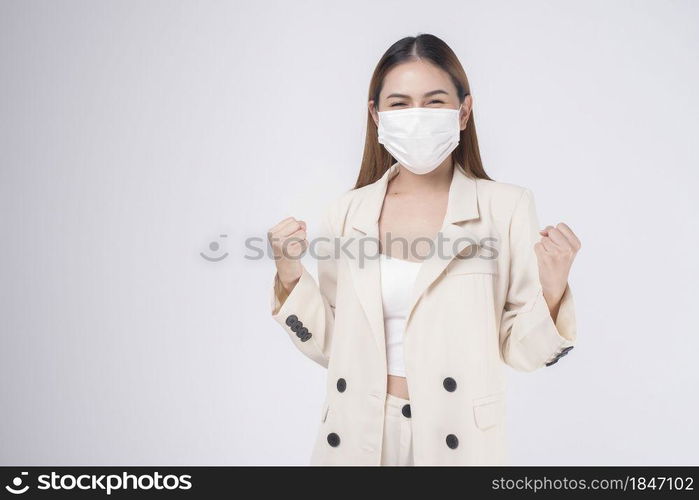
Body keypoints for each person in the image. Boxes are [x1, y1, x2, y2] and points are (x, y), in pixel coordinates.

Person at [267, 33, 580, 466]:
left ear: (463, 112)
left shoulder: (505, 207)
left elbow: (520, 352)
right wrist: (289, 271)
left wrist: (552, 288)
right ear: (376, 116)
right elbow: (333, 346)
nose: (417, 116)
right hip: (357, 432)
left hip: (458, 439)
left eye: (434, 102)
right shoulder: (347, 213)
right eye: (399, 103)